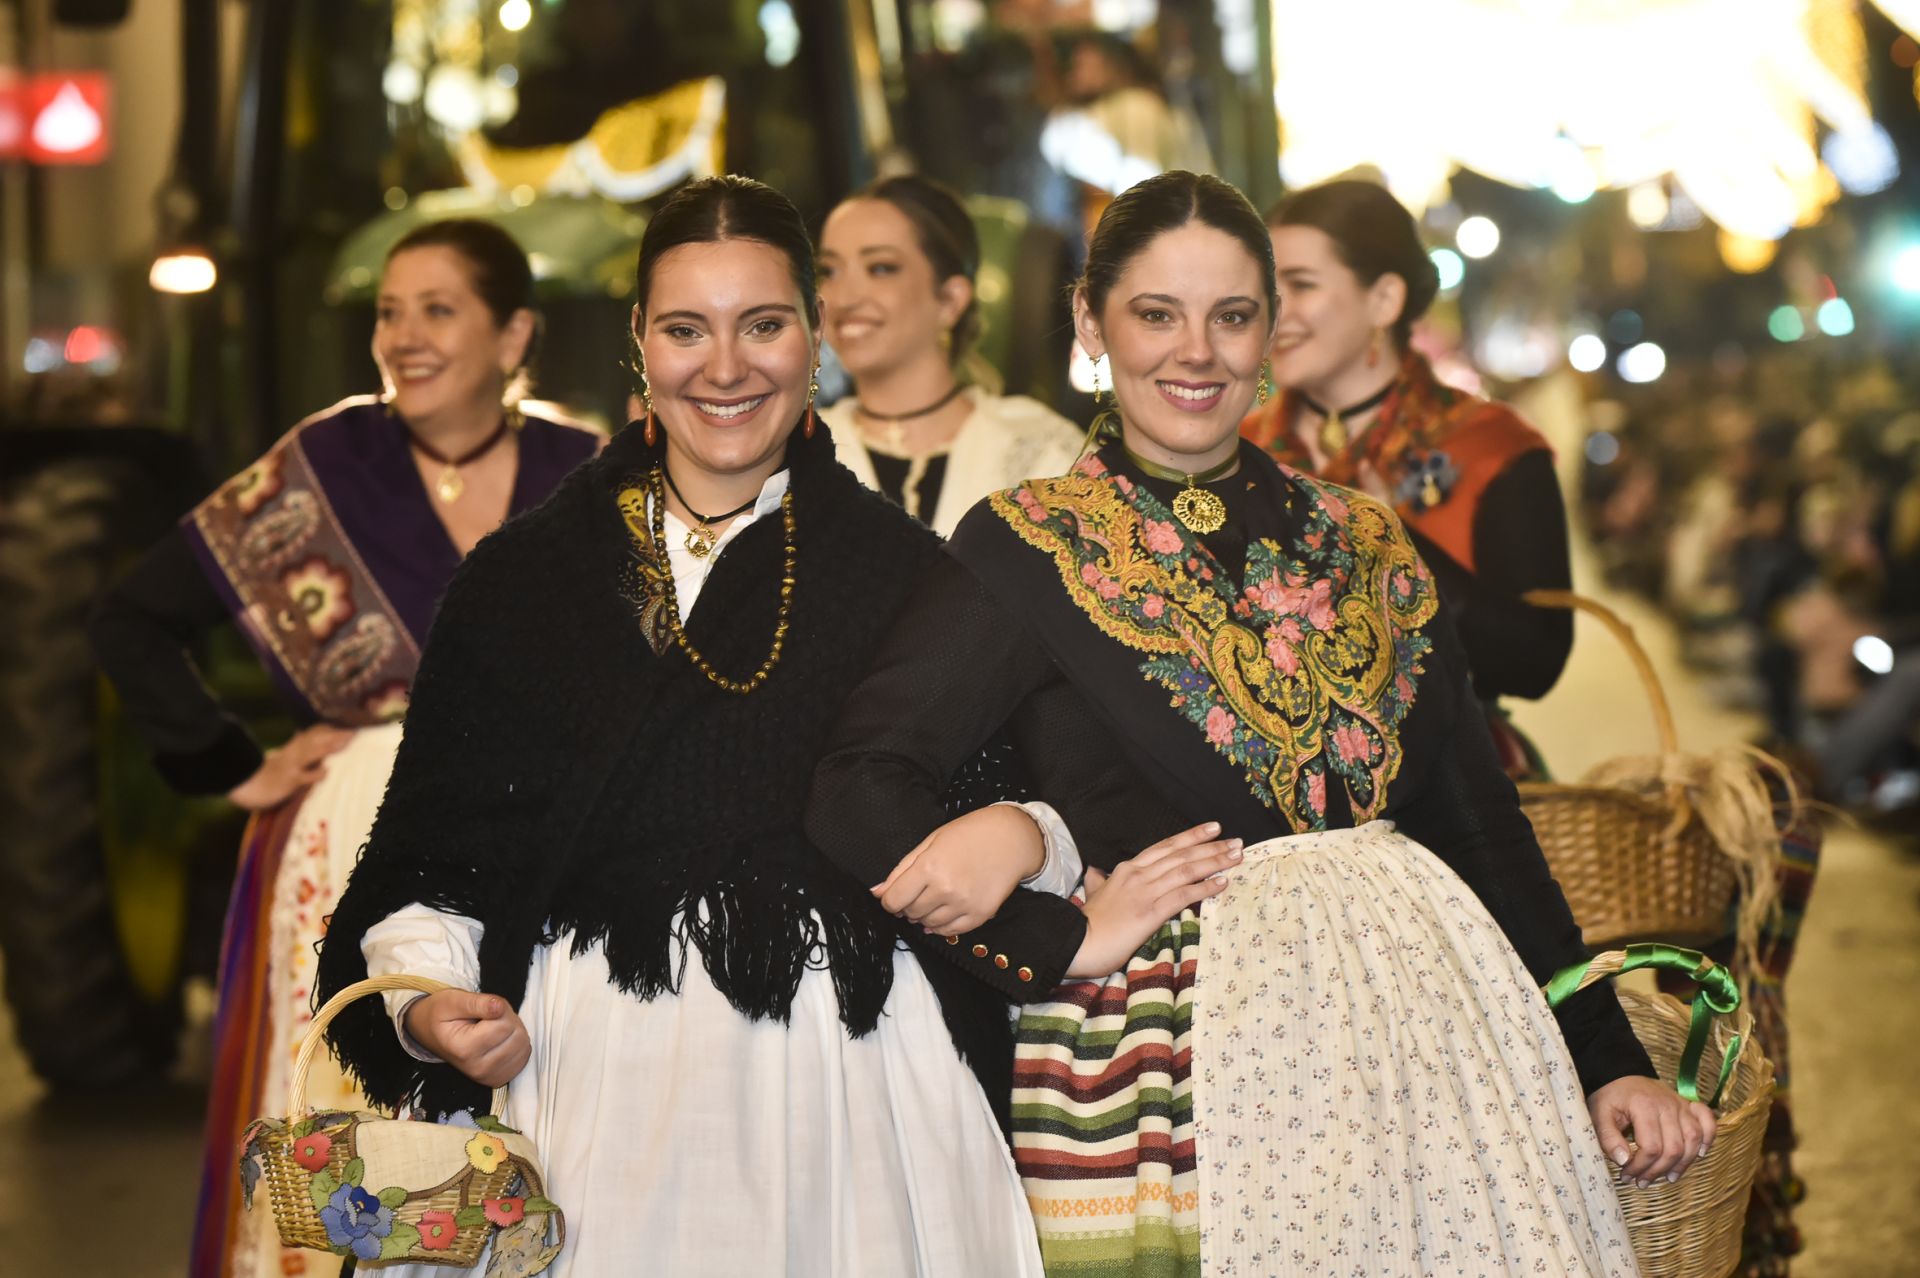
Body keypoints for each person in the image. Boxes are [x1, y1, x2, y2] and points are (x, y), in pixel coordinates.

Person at [811, 170, 1715, 1276]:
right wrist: (1054, 935)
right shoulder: (1029, 545)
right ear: (1092, 324)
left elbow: (1478, 825)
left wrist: (1606, 1057)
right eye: (1156, 314)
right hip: (1190, 1074)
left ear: (1270, 335)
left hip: (1444, 1052)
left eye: (1232, 316)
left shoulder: (1366, 539)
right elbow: (859, 785)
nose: (1197, 351)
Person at [313, 175, 1105, 1277]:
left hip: (850, 1100)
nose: (725, 368)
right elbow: (430, 862)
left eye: (764, 325)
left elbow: (1034, 789)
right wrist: (427, 1006)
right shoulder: (520, 580)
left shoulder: (912, 576)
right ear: (639, 341)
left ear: (813, 336)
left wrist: (1025, 830)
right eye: (686, 329)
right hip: (579, 1087)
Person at [88, 218, 599, 1278]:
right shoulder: (328, 461)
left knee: (532, 1107)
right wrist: (233, 766)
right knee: (347, 1122)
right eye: (387, 312)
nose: (404, 336)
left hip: (548, 855)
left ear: (514, 337)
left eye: (437, 309)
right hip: (345, 853)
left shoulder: (586, 469)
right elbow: (128, 620)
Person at [1241, 179, 1572, 777]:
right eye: (1266, 287)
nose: (1273, 311)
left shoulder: (1491, 447)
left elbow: (1536, 663)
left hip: (1455, 780)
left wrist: (1387, 543)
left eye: (1301, 284)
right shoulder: (1238, 451)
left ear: (1384, 300)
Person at [816, 173, 1082, 535]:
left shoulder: (1041, 451)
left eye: (880, 268)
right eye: (828, 271)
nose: (843, 298)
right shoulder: (799, 458)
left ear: (950, 299)